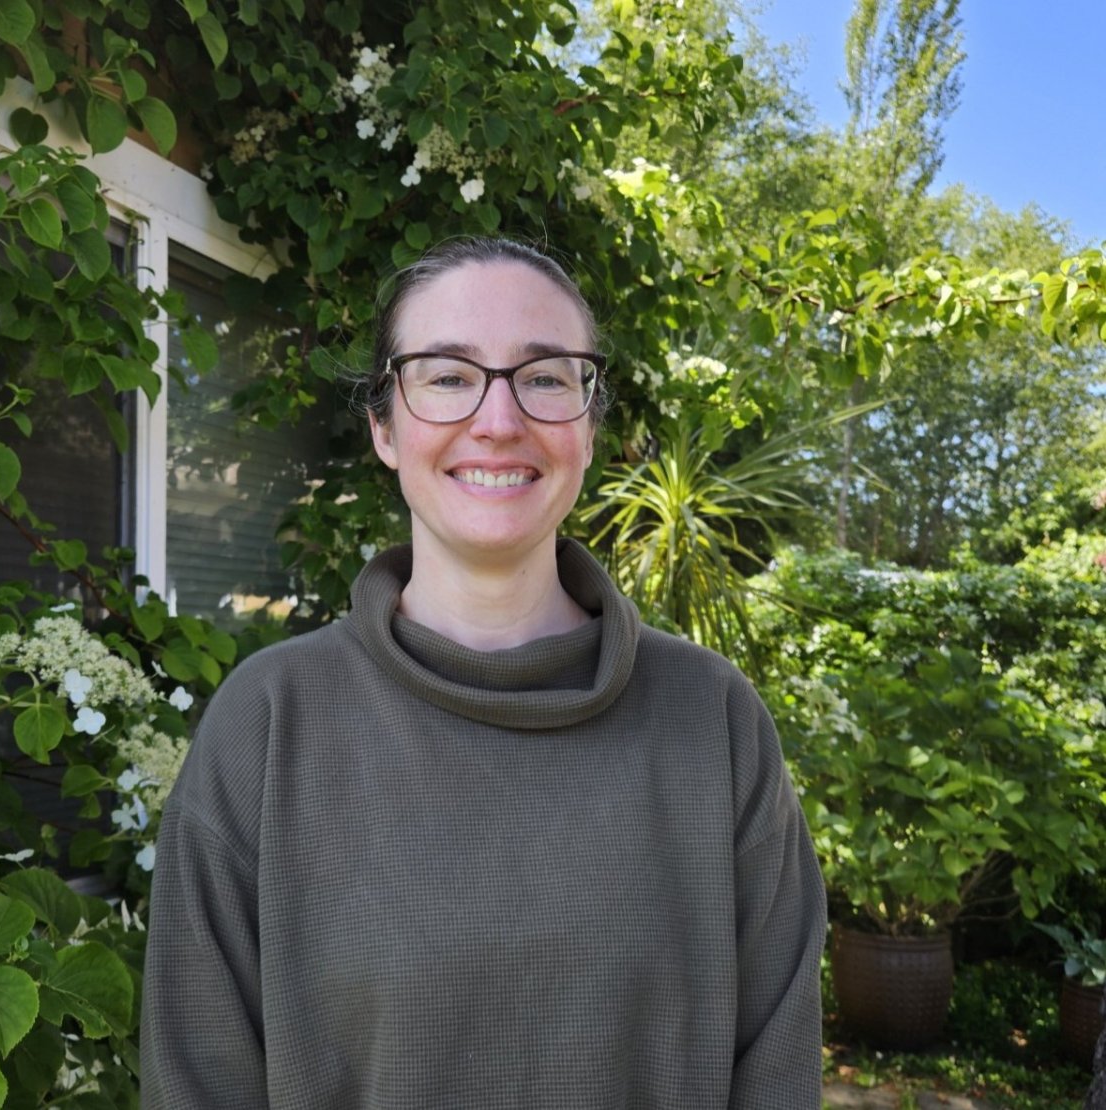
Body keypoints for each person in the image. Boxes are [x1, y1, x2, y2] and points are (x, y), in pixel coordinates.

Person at [140, 237, 827, 1108]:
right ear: (384, 428)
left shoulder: (712, 719)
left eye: (544, 377)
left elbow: (776, 1079)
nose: (498, 420)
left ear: (589, 426)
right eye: (447, 376)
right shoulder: (270, 726)